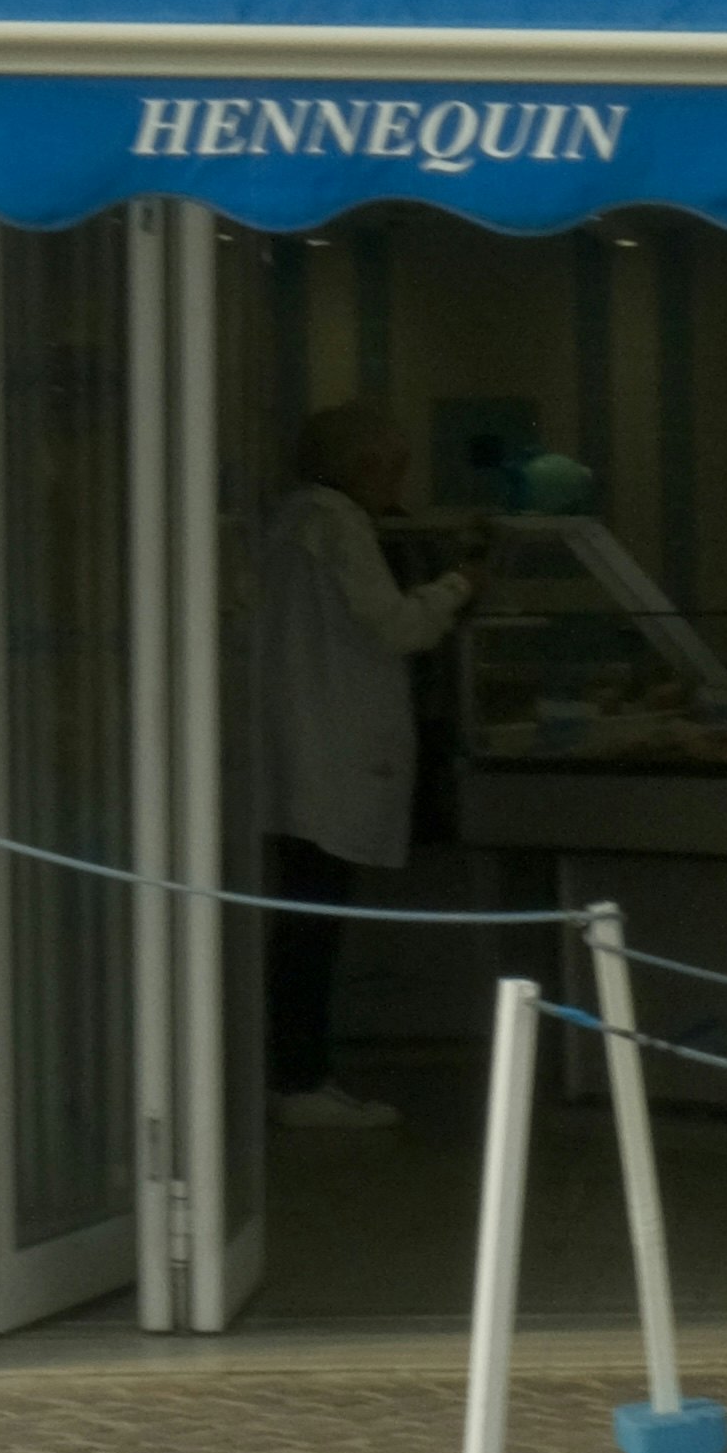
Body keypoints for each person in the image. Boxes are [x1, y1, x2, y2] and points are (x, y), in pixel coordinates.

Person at [261, 404, 478, 1134]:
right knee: (311, 925)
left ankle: (299, 1073)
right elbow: (395, 625)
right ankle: (300, 1078)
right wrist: (456, 587)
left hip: (302, 753)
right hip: (331, 756)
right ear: (365, 465)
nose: (401, 480)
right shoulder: (335, 524)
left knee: (303, 919)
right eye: (394, 464)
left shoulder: (290, 522)